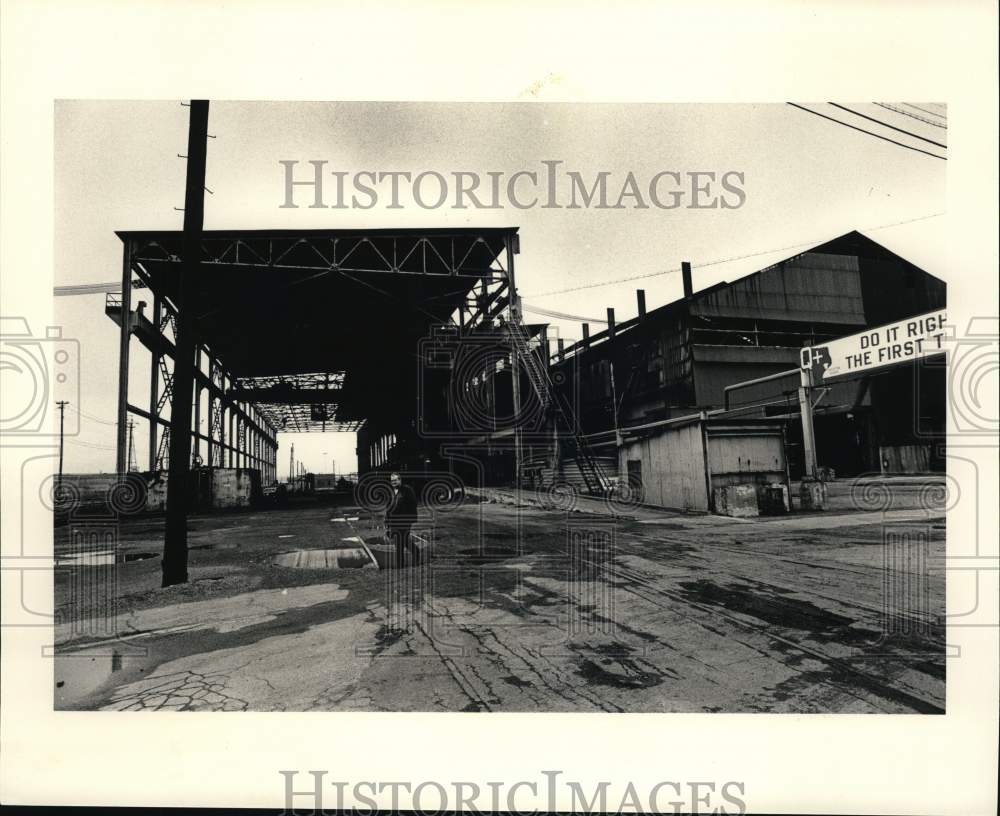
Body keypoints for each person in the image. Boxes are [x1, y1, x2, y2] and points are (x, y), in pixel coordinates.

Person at [385, 471, 419, 566]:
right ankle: (415, 552)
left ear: (400, 480)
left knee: (401, 540)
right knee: (400, 541)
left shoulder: (407, 490)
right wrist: (386, 520)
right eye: (392, 481)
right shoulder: (391, 491)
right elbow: (388, 508)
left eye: (395, 480)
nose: (393, 482)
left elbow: (413, 504)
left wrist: (409, 518)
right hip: (394, 521)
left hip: (405, 520)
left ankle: (400, 563)